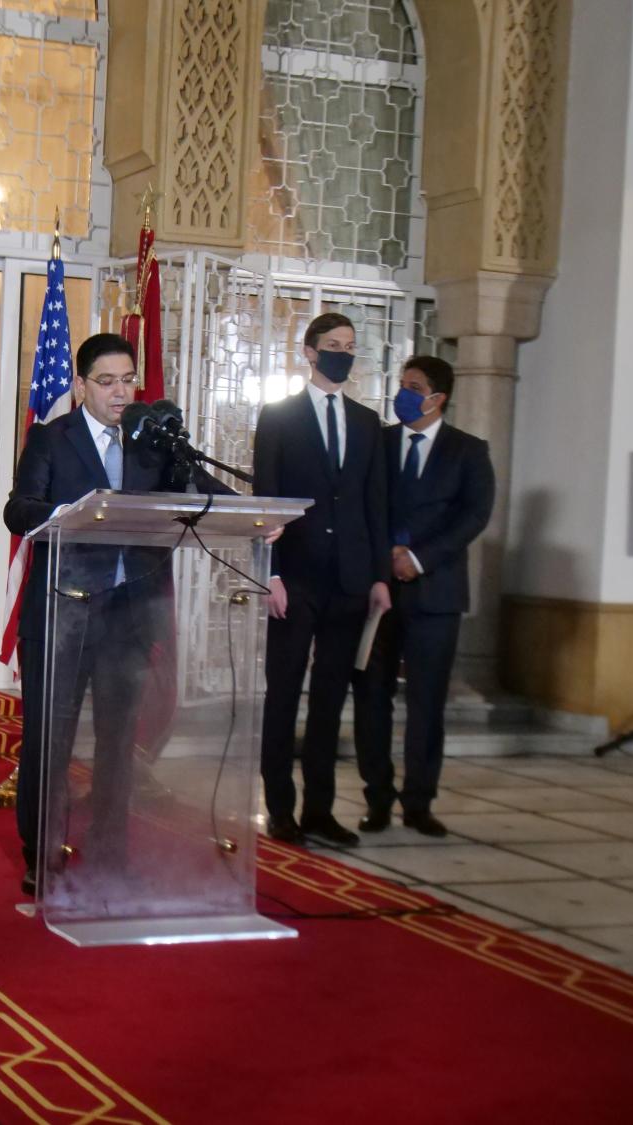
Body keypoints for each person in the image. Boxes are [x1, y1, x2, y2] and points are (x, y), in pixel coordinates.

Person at [3, 332, 235, 895]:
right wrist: (79, 514)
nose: (120, 391)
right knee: (50, 745)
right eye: (106, 381)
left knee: (115, 746)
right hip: (63, 618)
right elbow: (19, 509)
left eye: (128, 379)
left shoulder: (149, 442)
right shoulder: (51, 439)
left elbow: (202, 490)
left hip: (127, 620)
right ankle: (43, 858)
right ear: (81, 385)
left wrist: (253, 515)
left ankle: (110, 852)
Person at [253, 312, 390, 848]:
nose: (343, 353)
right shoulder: (280, 417)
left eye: (350, 346)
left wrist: (378, 576)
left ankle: (320, 810)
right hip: (298, 576)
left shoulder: (365, 422)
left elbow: (375, 503)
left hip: (350, 579)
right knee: (284, 694)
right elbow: (267, 502)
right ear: (309, 353)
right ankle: (280, 809)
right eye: (333, 345)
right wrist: (274, 575)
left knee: (331, 699)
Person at [351, 356, 495, 837]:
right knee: (373, 696)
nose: (404, 393)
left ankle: (418, 802)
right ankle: (377, 798)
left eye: (415, 387)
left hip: (436, 594)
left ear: (438, 398)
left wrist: (418, 558)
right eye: (402, 385)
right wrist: (385, 554)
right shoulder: (381, 443)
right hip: (380, 593)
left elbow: (474, 516)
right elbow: (364, 503)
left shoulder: (468, 452)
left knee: (427, 703)